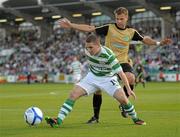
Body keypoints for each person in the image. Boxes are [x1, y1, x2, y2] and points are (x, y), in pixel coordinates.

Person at [58, 7, 172, 123]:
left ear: (126, 18)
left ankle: (124, 104)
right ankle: (96, 117)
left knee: (131, 77)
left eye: (121, 19)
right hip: (107, 61)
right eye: (117, 19)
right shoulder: (109, 28)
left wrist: (158, 43)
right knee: (97, 89)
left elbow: (144, 40)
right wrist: (71, 25)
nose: (119, 21)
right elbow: (90, 28)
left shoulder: (131, 32)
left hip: (122, 61)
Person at [45, 34, 146, 128]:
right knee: (73, 94)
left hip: (108, 79)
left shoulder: (108, 55)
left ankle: (135, 118)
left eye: (91, 47)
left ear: (98, 45)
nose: (88, 50)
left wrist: (128, 89)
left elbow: (121, 73)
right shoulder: (86, 51)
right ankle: (58, 120)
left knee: (124, 100)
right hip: (92, 77)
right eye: (87, 47)